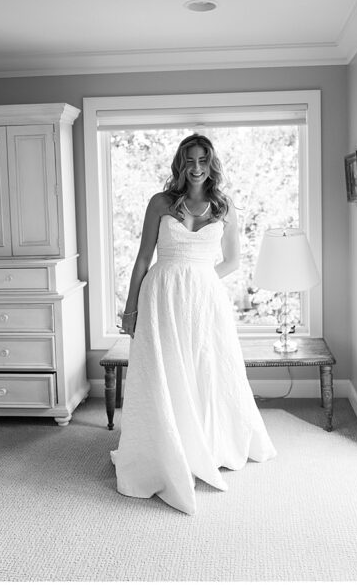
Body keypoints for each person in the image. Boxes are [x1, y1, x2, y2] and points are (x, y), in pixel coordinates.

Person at [110, 133, 276, 514]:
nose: (197, 167)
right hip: (160, 296)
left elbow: (233, 261)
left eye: (203, 159)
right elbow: (141, 260)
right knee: (165, 370)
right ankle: (166, 446)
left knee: (206, 368)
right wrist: (130, 309)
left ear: (212, 162)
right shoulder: (161, 202)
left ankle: (203, 441)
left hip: (204, 299)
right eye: (189, 160)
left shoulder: (224, 206)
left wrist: (200, 281)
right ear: (180, 164)